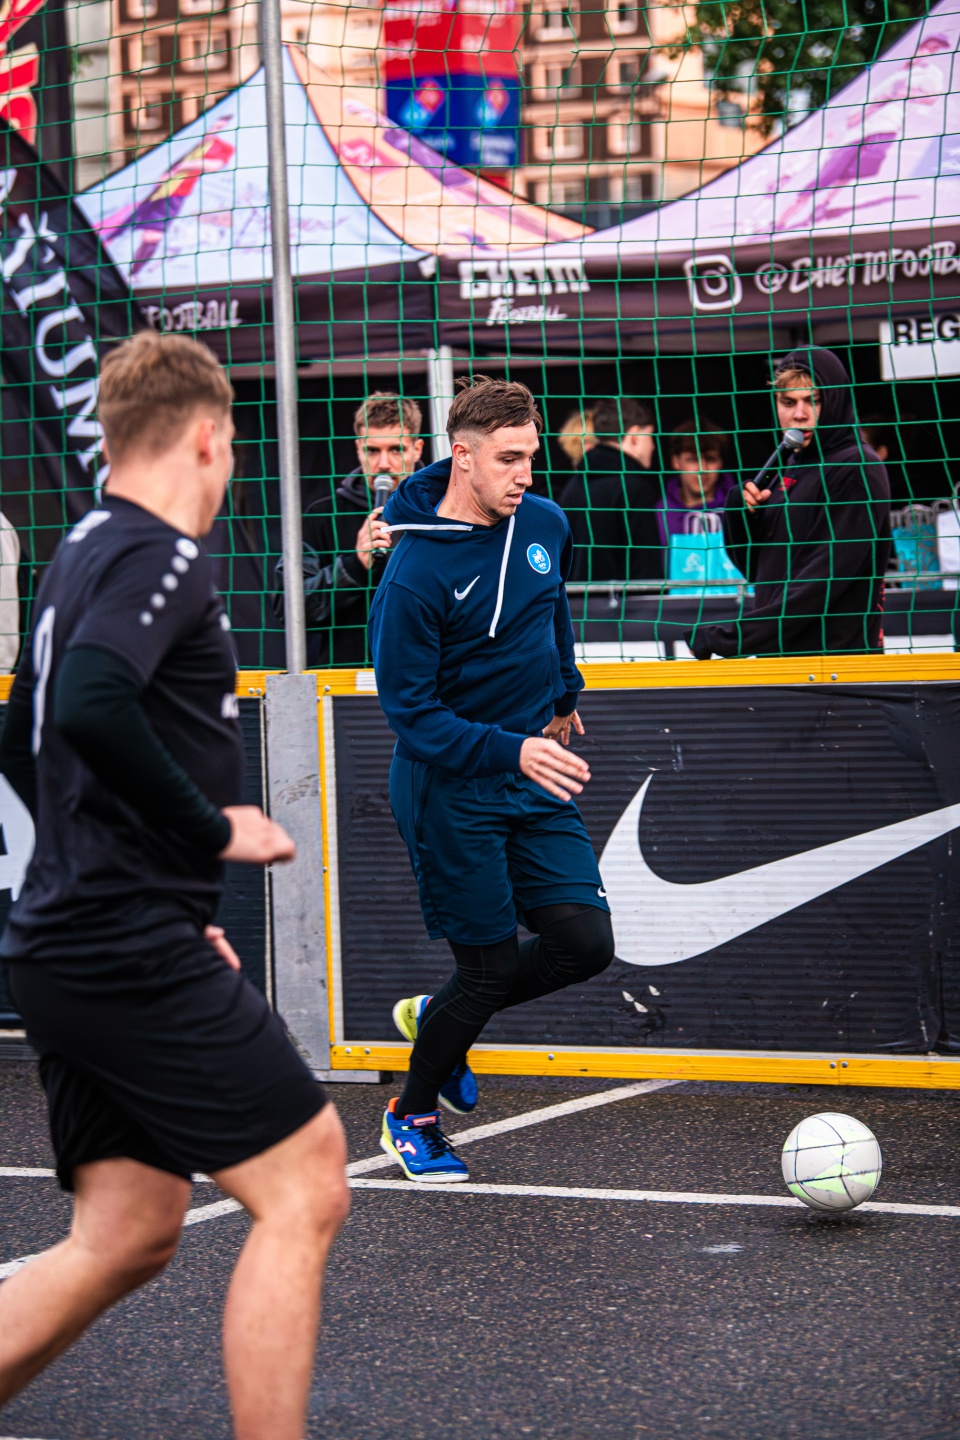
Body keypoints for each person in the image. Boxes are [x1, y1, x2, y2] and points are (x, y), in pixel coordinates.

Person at [0, 332, 349, 1439]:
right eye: (233, 442)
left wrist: (159, 892)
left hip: (80, 936)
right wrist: (210, 832)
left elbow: (23, 741)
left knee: (130, 1230)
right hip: (116, 942)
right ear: (206, 436)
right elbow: (90, 703)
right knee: (307, 1182)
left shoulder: (77, 552)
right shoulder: (160, 555)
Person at [370, 375, 615, 1183]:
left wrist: (566, 692)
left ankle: (437, 1017)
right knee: (488, 970)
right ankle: (410, 1116)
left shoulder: (544, 520)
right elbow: (411, 716)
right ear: (462, 456)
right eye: (508, 459)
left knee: (585, 944)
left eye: (531, 456)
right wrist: (514, 751)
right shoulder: (412, 572)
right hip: (449, 788)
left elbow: (552, 608)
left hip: (529, 768)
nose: (524, 474)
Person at [687, 347, 891, 659]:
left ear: (835, 401)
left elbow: (822, 581)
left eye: (813, 400)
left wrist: (733, 637)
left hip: (837, 664)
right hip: (783, 657)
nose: (800, 414)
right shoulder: (790, 462)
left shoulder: (857, 467)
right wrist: (740, 513)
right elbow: (761, 571)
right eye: (788, 402)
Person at [274, 391, 424, 666]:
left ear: (417, 449)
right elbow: (288, 607)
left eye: (396, 449)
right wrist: (353, 566)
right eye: (372, 450)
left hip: (425, 677)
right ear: (358, 449)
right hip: (345, 678)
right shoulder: (323, 515)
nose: (383, 463)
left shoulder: (441, 510)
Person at [557, 396, 662, 583]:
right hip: (624, 601)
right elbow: (646, 570)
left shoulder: (573, 485)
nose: (653, 446)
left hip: (576, 599)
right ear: (635, 436)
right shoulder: (634, 487)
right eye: (650, 436)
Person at [656, 420, 737, 548]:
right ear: (676, 462)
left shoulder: (737, 508)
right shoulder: (660, 513)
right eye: (693, 459)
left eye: (710, 459)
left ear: (721, 463)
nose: (702, 469)